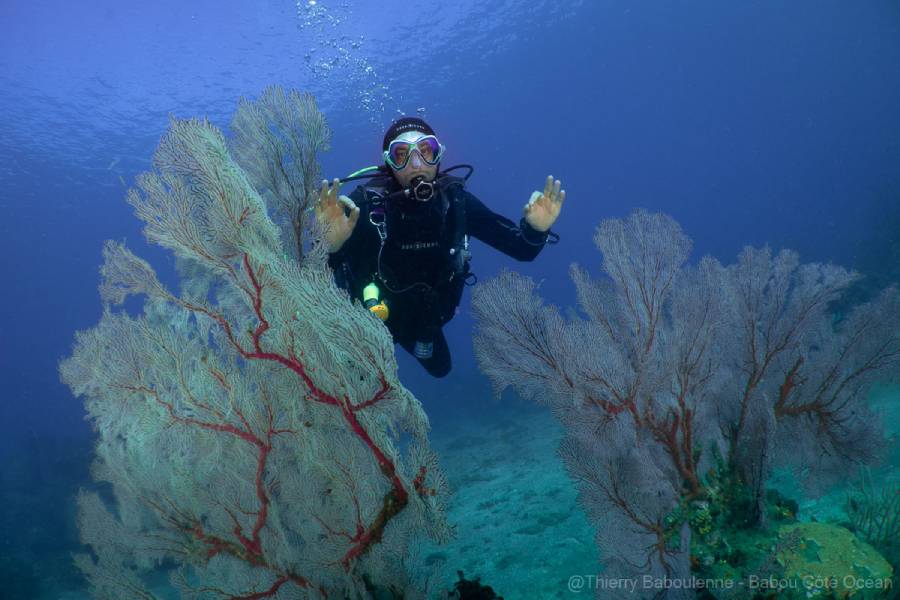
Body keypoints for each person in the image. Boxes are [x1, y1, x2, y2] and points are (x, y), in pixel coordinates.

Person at [315, 117, 565, 377]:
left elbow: (522, 249)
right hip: (367, 319)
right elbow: (314, 275)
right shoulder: (363, 206)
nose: (415, 164)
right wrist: (331, 246)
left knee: (441, 368)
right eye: (402, 155)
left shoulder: (455, 202)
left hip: (424, 322)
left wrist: (536, 230)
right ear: (389, 163)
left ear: (439, 155)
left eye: (426, 151)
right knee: (350, 383)